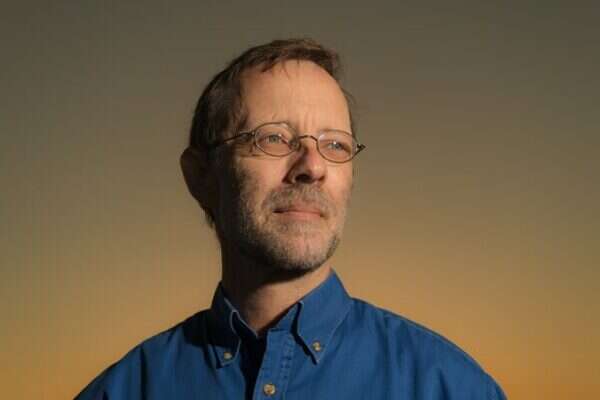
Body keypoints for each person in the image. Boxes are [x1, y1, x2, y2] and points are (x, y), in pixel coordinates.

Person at [75, 38, 506, 400]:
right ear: (201, 176)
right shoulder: (121, 391)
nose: (312, 166)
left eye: (334, 145)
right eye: (274, 138)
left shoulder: (452, 388)